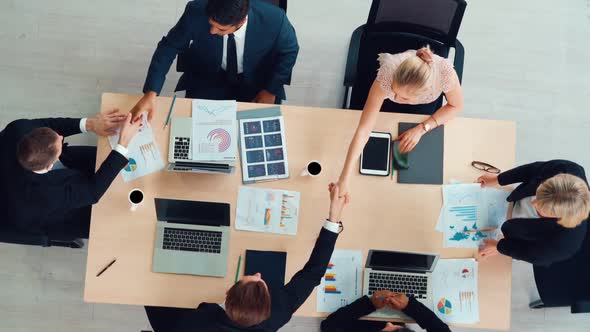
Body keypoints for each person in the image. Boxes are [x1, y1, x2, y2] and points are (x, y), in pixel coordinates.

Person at [144, 183, 348, 332]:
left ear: (227, 292)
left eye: (251, 278)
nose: (259, 274)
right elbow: (313, 274)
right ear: (268, 303)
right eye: (261, 282)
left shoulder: (195, 324)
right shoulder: (279, 311)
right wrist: (334, 218)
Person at [132, 0, 299, 121]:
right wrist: (151, 93)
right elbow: (168, 47)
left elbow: (290, 50)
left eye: (221, 28)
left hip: (258, 83)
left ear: (241, 21)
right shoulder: (195, 10)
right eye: (211, 24)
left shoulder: (275, 19)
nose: (212, 31)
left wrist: (270, 90)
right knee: (199, 130)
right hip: (209, 78)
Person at [336, 46, 464, 198]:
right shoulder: (388, 74)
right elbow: (364, 130)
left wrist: (422, 128)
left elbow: (456, 106)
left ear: (426, 91)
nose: (396, 98)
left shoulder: (445, 73)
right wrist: (344, 178)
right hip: (385, 106)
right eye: (395, 92)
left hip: (422, 112)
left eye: (402, 97)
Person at [0, 111, 141, 239]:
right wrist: (122, 145)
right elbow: (91, 192)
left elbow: (50, 124)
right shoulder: (44, 195)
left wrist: (90, 124)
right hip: (60, 214)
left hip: (63, 169)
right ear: (50, 165)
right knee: (123, 221)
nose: (61, 137)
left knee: (114, 161)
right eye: (59, 142)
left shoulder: (17, 129)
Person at [477, 160, 590, 266]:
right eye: (538, 193)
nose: (534, 203)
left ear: (558, 217)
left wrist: (499, 246)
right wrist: (498, 179)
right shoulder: (568, 168)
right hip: (509, 201)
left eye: (541, 208)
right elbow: (532, 170)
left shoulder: (565, 244)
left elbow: (530, 253)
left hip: (518, 230)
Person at [321, 291, 451, 332]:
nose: (388, 323)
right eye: (396, 328)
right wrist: (410, 306)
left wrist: (369, 303)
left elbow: (329, 326)